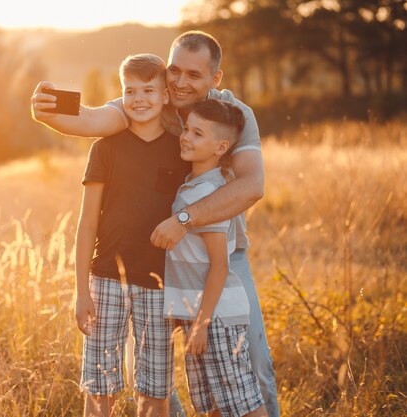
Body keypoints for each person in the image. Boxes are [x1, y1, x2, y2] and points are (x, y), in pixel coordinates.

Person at [31, 30, 280, 417]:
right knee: (158, 375)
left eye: (194, 75)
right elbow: (92, 119)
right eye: (175, 70)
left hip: (217, 258)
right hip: (156, 266)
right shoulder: (147, 99)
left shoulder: (231, 115)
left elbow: (253, 185)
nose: (180, 82)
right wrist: (47, 110)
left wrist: (185, 219)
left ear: (216, 79)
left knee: (246, 368)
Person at [74, 53, 188, 417]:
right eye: (130, 90)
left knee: (155, 387)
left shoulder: (181, 150)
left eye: (148, 90)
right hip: (106, 278)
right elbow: (87, 222)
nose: (139, 99)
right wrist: (80, 292)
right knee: (99, 383)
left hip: (160, 283)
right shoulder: (105, 147)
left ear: (165, 95)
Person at [164, 98, 267, 417]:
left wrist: (202, 324)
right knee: (212, 406)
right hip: (200, 316)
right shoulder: (191, 186)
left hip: (216, 317)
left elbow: (220, 267)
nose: (186, 137)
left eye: (198, 134)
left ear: (221, 146)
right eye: (187, 129)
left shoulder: (212, 194)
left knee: (244, 403)